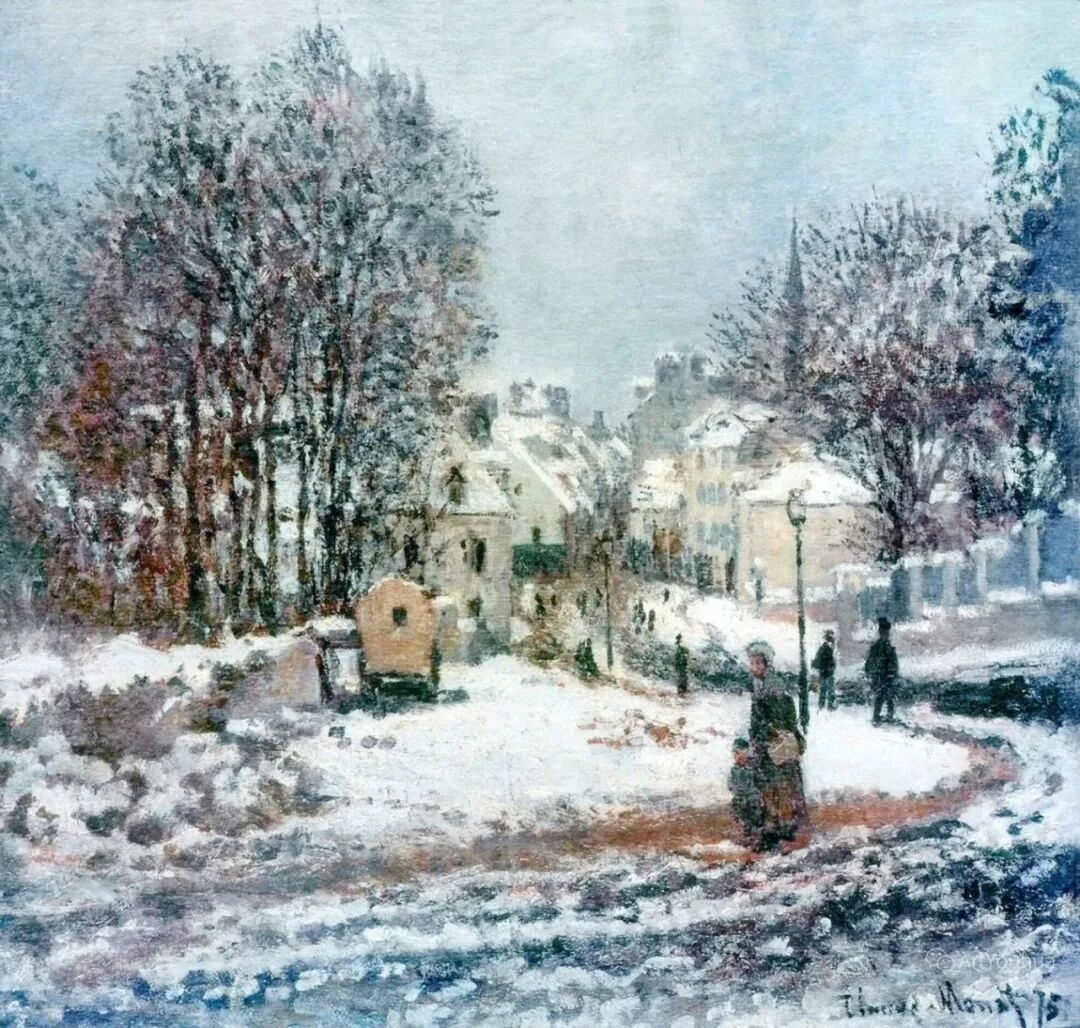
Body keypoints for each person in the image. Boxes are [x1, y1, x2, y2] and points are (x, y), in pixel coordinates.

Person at [744, 640, 807, 849]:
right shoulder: (759, 684)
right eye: (752, 663)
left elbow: (781, 717)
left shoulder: (774, 686)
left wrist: (767, 732)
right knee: (769, 786)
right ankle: (774, 825)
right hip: (765, 744)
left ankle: (784, 826)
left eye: (758, 663)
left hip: (775, 744)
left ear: (766, 664)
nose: (755, 667)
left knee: (781, 786)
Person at [728, 737, 762, 848]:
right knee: (737, 808)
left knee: (753, 817)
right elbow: (731, 786)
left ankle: (754, 837)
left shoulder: (753, 767)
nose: (737, 756)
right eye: (735, 753)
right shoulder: (735, 769)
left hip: (753, 800)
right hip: (740, 800)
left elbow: (760, 783)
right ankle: (744, 835)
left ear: (746, 752)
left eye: (739, 753)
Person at [865, 616, 900, 724]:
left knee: (887, 698)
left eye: (887, 633)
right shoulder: (880, 647)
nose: (887, 634)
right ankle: (879, 717)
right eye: (885, 632)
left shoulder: (882, 646)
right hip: (882, 677)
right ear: (882, 632)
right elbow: (871, 662)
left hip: (885, 677)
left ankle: (885, 716)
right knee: (883, 697)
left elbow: (869, 663)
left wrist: (894, 672)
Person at [812, 629, 837, 711]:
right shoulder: (826, 648)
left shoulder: (825, 648)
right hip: (827, 672)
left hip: (825, 672)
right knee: (828, 690)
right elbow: (825, 661)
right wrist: (830, 666)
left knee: (826, 690)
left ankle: (824, 706)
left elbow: (818, 661)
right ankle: (827, 706)